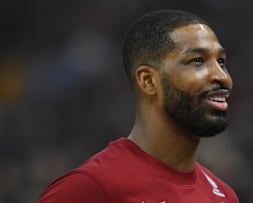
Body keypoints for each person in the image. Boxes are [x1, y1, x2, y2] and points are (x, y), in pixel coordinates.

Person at [38, 9, 239, 203]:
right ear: (149, 81)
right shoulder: (90, 188)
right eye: (197, 61)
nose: (222, 77)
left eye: (221, 62)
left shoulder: (224, 196)